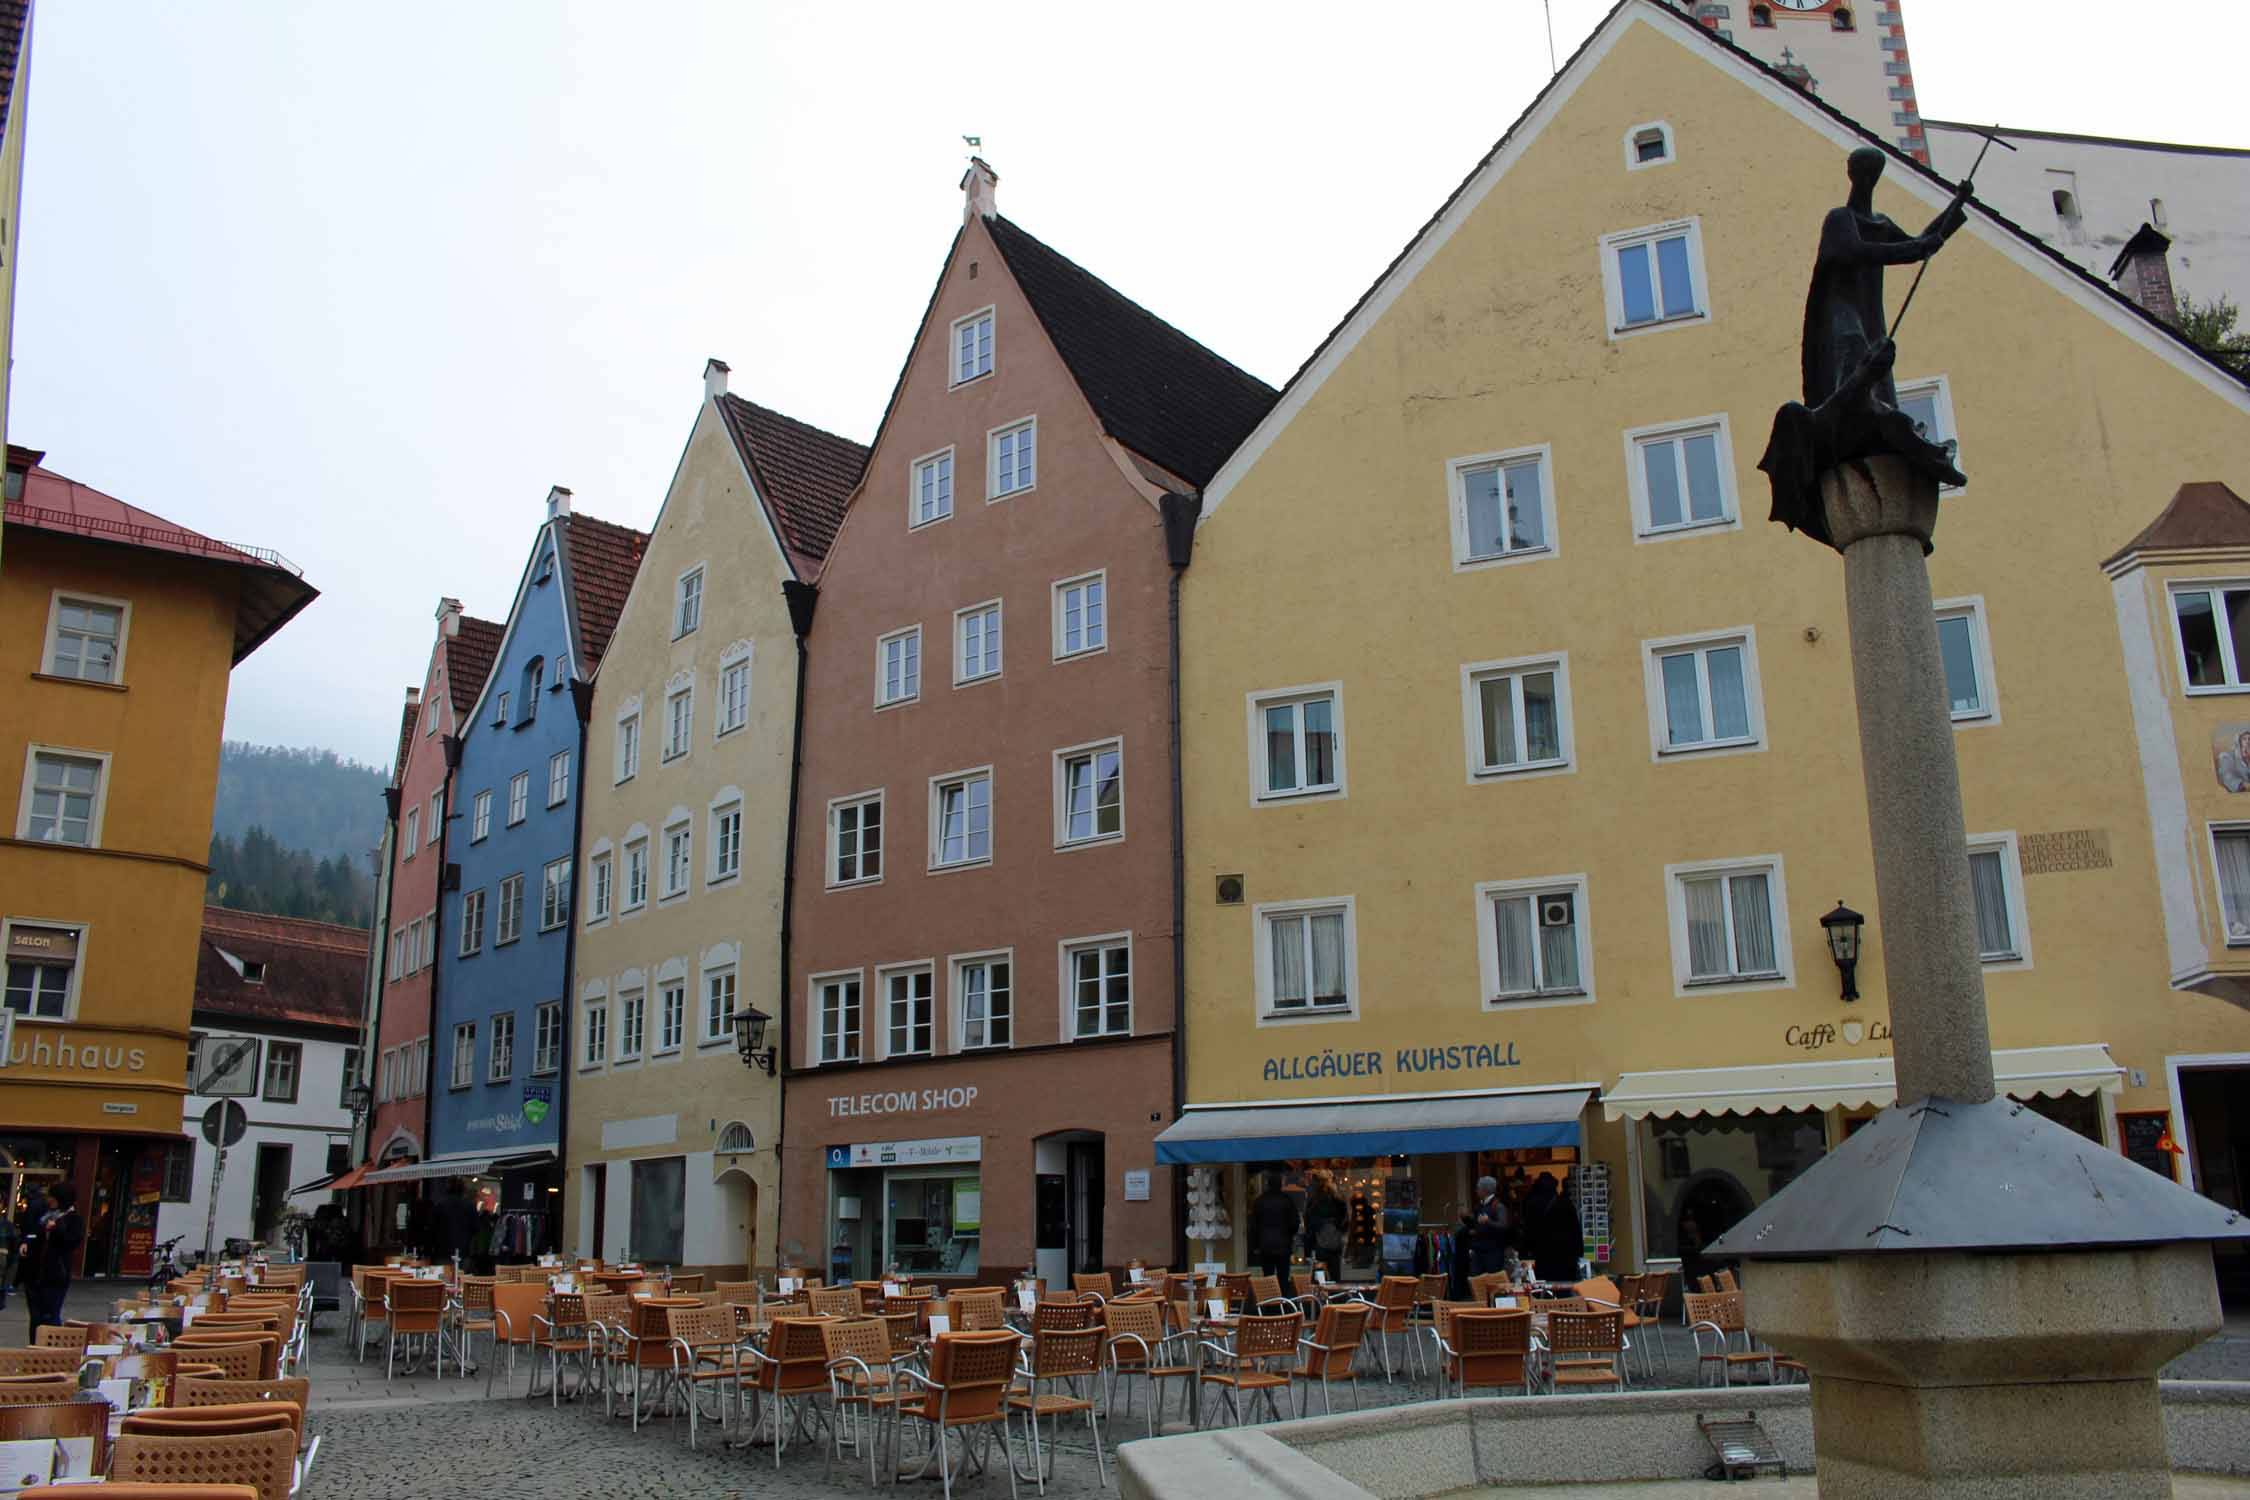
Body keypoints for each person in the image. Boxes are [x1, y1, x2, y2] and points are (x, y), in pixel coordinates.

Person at [24, 1183, 83, 1343]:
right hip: (36, 1274)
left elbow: (71, 1242)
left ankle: (49, 1350)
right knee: (36, 1317)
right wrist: (27, 1243)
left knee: (50, 1315)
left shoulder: (73, 1220)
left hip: (56, 1275)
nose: (49, 1200)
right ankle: (34, 1349)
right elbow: (33, 1236)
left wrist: (56, 1229)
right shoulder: (45, 1216)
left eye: (52, 1197)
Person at [1525, 1176, 1585, 1286]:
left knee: (1545, 1289)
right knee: (1565, 1289)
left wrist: (1529, 1250)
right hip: (1566, 1255)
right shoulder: (1565, 1204)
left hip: (1544, 1254)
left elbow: (1529, 1230)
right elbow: (1575, 1230)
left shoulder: (1532, 1204)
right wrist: (1579, 1251)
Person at [1249, 1172, 1300, 1298]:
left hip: (1265, 1245)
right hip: (1283, 1245)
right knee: (1283, 1278)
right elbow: (1295, 1222)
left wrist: (1255, 1245)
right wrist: (1289, 1235)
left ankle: (1270, 1304)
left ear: (1268, 1184)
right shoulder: (1286, 1200)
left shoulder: (1260, 1201)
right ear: (1280, 1184)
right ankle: (1283, 1302)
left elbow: (1253, 1226)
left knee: (1268, 1278)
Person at [1303, 1175, 1346, 1283]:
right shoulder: (1338, 1199)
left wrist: (1307, 1250)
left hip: (1319, 1242)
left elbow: (1309, 1224)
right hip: (1335, 1242)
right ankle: (1336, 1296)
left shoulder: (1314, 1200)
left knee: (1320, 1276)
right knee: (1335, 1274)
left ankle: (1322, 1297)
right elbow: (1345, 1220)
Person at [1465, 1175, 1511, 1277]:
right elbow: (1478, 1226)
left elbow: (1504, 1226)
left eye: (1478, 1188)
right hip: (1478, 1251)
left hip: (1493, 1253)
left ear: (1484, 1190)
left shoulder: (1498, 1206)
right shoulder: (1479, 1206)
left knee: (1492, 1284)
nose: (1476, 1190)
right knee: (1476, 1283)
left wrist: (1488, 1221)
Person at [434, 1180, 476, 1268]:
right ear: (462, 1190)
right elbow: (475, 1228)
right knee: (461, 1278)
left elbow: (433, 1227)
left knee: (444, 1278)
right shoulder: (469, 1206)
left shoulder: (440, 1205)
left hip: (443, 1251)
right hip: (463, 1251)